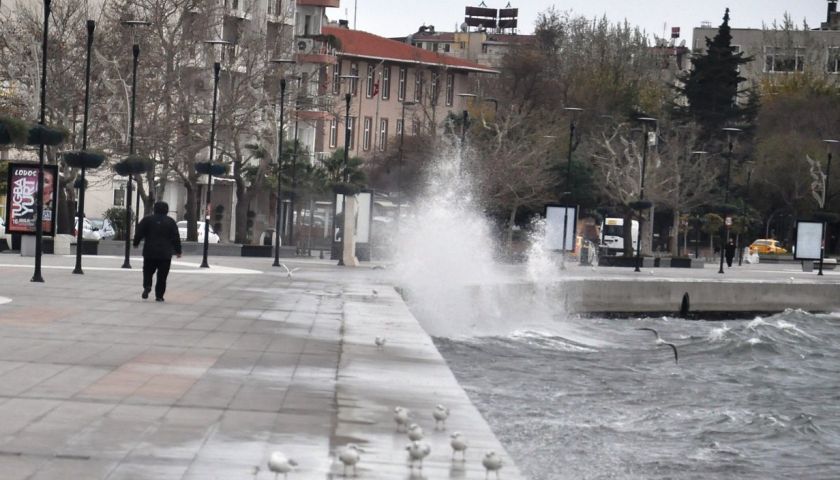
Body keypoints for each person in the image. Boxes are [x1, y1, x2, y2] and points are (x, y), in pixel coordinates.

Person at [133, 201, 182, 302]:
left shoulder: (147, 220)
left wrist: (136, 243)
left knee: (147, 271)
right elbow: (176, 237)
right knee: (162, 276)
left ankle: (147, 286)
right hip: (165, 254)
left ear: (154, 209)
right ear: (166, 210)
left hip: (150, 252)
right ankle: (159, 295)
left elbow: (139, 232)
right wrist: (178, 250)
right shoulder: (171, 222)